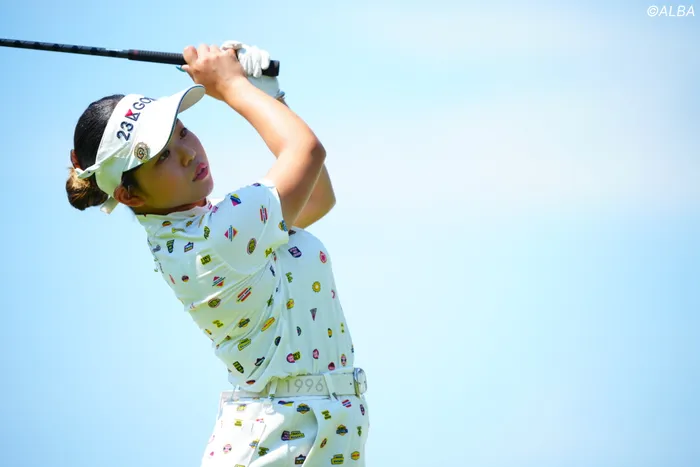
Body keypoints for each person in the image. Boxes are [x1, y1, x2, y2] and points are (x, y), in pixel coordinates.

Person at [65, 41, 369, 467]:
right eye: (163, 157)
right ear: (129, 195)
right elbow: (307, 152)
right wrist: (231, 85)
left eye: (181, 132)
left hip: (298, 438)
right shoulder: (220, 235)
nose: (189, 152)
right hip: (273, 445)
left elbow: (315, 195)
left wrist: (266, 93)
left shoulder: (206, 227)